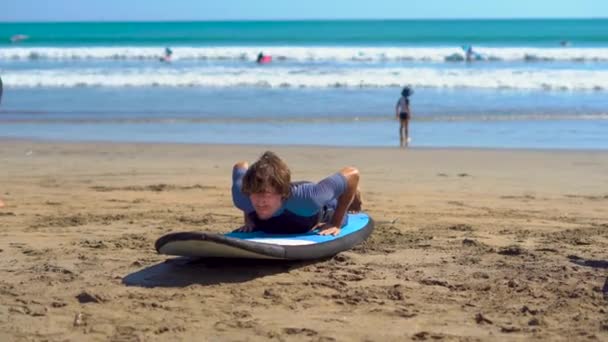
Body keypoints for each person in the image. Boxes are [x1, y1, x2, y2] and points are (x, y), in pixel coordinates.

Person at [232, 151, 362, 236]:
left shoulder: (310, 198)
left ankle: (353, 193)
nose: (260, 202)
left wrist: (336, 223)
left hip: (320, 208)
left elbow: (353, 174)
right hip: (279, 190)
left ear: (282, 193)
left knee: (347, 213)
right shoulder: (242, 196)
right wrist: (248, 220)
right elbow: (240, 166)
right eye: (254, 194)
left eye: (266, 194)